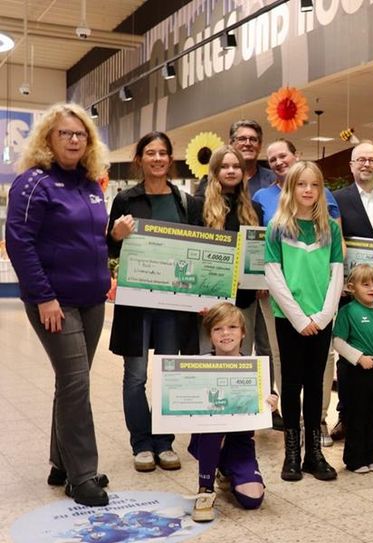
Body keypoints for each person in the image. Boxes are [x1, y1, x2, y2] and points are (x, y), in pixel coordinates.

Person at [5, 103, 111, 506]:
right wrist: (45, 296)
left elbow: (91, 239)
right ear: (48, 138)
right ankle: (81, 476)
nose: (73, 140)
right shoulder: (33, 182)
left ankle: (61, 462)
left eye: (80, 134)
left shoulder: (90, 184)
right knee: (76, 383)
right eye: (64, 133)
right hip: (55, 301)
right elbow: (19, 241)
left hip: (92, 299)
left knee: (71, 381)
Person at [108, 132, 202, 473]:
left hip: (173, 306)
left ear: (170, 158)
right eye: (151, 153)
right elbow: (110, 247)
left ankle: (164, 443)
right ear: (140, 159)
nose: (158, 158)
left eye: (163, 153)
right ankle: (141, 443)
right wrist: (116, 236)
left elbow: (198, 252)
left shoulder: (186, 202)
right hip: (135, 303)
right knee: (135, 375)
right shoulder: (125, 199)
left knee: (166, 374)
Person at [254, 138, 342, 439]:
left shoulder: (331, 228)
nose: (307, 190)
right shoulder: (277, 227)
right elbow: (274, 275)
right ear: (290, 188)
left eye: (314, 185)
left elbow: (336, 274)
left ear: (321, 189)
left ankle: (314, 448)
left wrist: (324, 315)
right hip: (288, 318)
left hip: (321, 318)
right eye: (301, 184)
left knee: (317, 382)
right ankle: (292, 449)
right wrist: (299, 318)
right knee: (290, 383)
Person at [332, 141, 373, 442]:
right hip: (350, 286)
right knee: (350, 349)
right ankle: (345, 415)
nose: (366, 164)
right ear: (351, 165)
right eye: (360, 160)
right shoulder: (337, 198)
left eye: (372, 160)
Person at [188, 303, 277, 522]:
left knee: (253, 499)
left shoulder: (254, 368)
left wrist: (272, 400)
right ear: (210, 335)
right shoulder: (199, 366)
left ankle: (226, 471)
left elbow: (267, 394)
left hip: (239, 444)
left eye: (232, 327)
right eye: (218, 329)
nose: (225, 333)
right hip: (207, 441)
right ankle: (205, 488)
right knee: (214, 425)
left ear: (243, 333)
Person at [331, 265, 373, 473]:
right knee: (356, 415)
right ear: (351, 287)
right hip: (355, 373)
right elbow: (338, 341)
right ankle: (354, 458)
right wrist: (359, 358)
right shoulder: (347, 311)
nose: (372, 288)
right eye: (365, 284)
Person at [199, 145, 263, 354]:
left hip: (243, 300)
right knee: (206, 362)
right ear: (215, 171)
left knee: (240, 361)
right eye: (224, 166)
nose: (231, 171)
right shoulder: (199, 206)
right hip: (209, 301)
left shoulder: (254, 209)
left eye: (236, 166)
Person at [195, 120, 276, 197]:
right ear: (231, 143)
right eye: (242, 139)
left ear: (260, 145)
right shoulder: (210, 182)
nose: (248, 143)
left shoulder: (274, 180)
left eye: (253, 139)